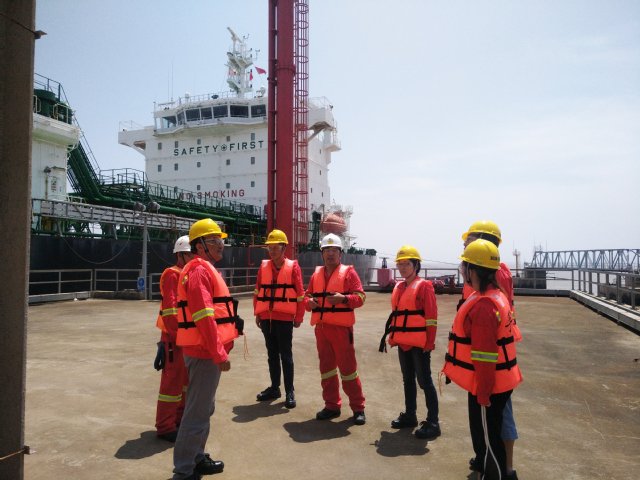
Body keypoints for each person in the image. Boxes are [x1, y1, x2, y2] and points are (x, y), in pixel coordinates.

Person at [442, 239, 523, 480]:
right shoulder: (495, 296)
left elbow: (485, 356)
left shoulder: (485, 306)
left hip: (488, 386)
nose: (462, 270)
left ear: (473, 270)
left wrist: (484, 393)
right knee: (489, 436)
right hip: (496, 382)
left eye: (464, 266)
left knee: (488, 442)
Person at [172, 218, 242, 480]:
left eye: (221, 240)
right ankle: (184, 470)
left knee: (204, 409)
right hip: (204, 353)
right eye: (214, 240)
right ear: (199, 245)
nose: (220, 245)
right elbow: (203, 317)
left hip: (205, 351)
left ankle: (197, 457)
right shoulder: (199, 271)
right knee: (196, 413)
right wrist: (218, 353)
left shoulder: (203, 269)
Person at [379, 245, 440, 440]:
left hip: (419, 343)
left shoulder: (424, 287)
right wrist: (393, 336)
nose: (403, 267)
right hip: (403, 341)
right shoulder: (399, 287)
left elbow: (431, 318)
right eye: (400, 264)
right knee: (407, 379)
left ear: (416, 265)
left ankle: (433, 422)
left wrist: (430, 341)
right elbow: (397, 315)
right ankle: (410, 415)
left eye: (407, 264)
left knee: (424, 381)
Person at [305, 233, 367, 425]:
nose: (330, 254)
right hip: (321, 329)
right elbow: (306, 297)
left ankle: (358, 408)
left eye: (334, 250)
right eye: (327, 250)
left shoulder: (349, 274)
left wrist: (344, 299)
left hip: (341, 330)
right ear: (322, 254)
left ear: (340, 253)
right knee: (327, 370)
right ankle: (331, 405)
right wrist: (309, 303)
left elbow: (361, 297)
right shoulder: (316, 275)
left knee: (348, 370)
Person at [253, 229, 305, 408]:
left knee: (286, 356)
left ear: (284, 248)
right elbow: (257, 291)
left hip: (284, 318)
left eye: (276, 247)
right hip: (266, 318)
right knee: (272, 355)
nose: (272, 250)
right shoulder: (263, 267)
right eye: (270, 247)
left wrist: (299, 317)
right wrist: (257, 313)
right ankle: (275, 388)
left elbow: (300, 294)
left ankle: (290, 391)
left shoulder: (293, 267)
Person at [153, 235, 193, 442]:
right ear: (181, 255)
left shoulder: (187, 274)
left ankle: (178, 419)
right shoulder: (172, 275)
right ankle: (165, 426)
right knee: (171, 384)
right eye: (191, 254)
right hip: (174, 339)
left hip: (185, 338)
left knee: (184, 383)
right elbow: (170, 312)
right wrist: (180, 336)